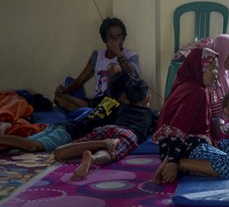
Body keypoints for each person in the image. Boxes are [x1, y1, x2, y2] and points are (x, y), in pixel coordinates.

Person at [152, 47, 229, 185]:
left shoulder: (199, 88)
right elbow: (178, 128)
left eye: (216, 68)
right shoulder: (194, 91)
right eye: (211, 68)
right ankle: (182, 165)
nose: (216, 73)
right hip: (181, 149)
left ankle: (194, 167)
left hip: (192, 143)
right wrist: (173, 161)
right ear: (199, 68)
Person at [0, 71, 131, 154]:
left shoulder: (106, 99)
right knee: (32, 146)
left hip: (65, 125)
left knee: (19, 145)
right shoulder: (122, 110)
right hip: (69, 132)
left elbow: (84, 104)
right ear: (125, 94)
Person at [53, 76, 158, 180]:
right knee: (110, 153)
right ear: (148, 98)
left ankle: (100, 143)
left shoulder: (121, 107)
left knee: (59, 153)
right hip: (128, 133)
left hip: (108, 128)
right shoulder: (152, 114)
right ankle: (93, 158)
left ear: (125, 97)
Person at [54, 17, 140, 112]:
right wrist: (64, 91)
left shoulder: (130, 54)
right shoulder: (97, 56)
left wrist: (118, 53)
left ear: (124, 37)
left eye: (119, 36)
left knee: (114, 68)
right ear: (104, 39)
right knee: (59, 100)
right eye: (111, 37)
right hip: (96, 101)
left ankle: (94, 115)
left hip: (114, 102)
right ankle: (94, 114)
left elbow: (134, 76)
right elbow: (80, 81)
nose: (116, 40)